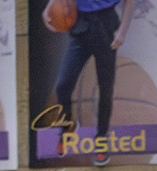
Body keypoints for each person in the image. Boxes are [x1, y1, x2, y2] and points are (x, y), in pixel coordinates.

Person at [50, 0, 133, 153]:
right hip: (81, 23)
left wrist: (122, 31)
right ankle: (67, 125)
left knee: (105, 88)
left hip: (105, 24)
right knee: (62, 85)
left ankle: (101, 138)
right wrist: (49, 7)